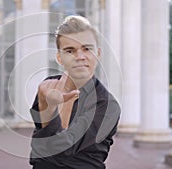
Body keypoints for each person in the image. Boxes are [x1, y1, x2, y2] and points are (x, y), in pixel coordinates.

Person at [29, 15, 121, 169]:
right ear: (59, 57)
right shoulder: (47, 87)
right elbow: (39, 145)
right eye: (70, 50)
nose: (80, 57)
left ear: (98, 53)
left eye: (87, 49)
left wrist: (51, 110)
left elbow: (62, 151)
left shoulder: (107, 105)